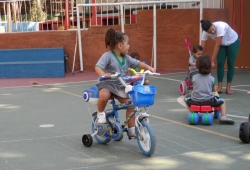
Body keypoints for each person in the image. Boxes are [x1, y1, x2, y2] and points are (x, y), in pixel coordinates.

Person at [95, 28, 156, 137]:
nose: (129, 46)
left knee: (131, 104)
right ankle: (100, 114)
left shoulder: (127, 58)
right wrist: (103, 74)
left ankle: (131, 129)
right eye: (128, 44)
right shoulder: (107, 56)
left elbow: (138, 64)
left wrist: (149, 67)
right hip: (107, 83)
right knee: (104, 95)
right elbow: (98, 67)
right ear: (120, 45)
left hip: (120, 85)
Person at [184, 55, 235, 125]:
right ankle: (223, 116)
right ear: (210, 68)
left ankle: (191, 111)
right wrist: (216, 94)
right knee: (222, 101)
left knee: (185, 97)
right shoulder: (212, 79)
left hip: (195, 100)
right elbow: (214, 90)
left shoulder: (194, 77)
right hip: (209, 101)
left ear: (197, 67)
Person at [200, 20, 240, 95]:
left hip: (233, 42)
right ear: (206, 32)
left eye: (212, 29)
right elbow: (201, 47)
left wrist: (212, 60)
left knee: (230, 63)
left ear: (213, 24)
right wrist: (197, 57)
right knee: (220, 62)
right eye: (209, 31)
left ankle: (228, 88)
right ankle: (220, 87)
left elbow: (217, 45)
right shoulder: (205, 33)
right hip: (222, 44)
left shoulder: (221, 26)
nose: (212, 31)